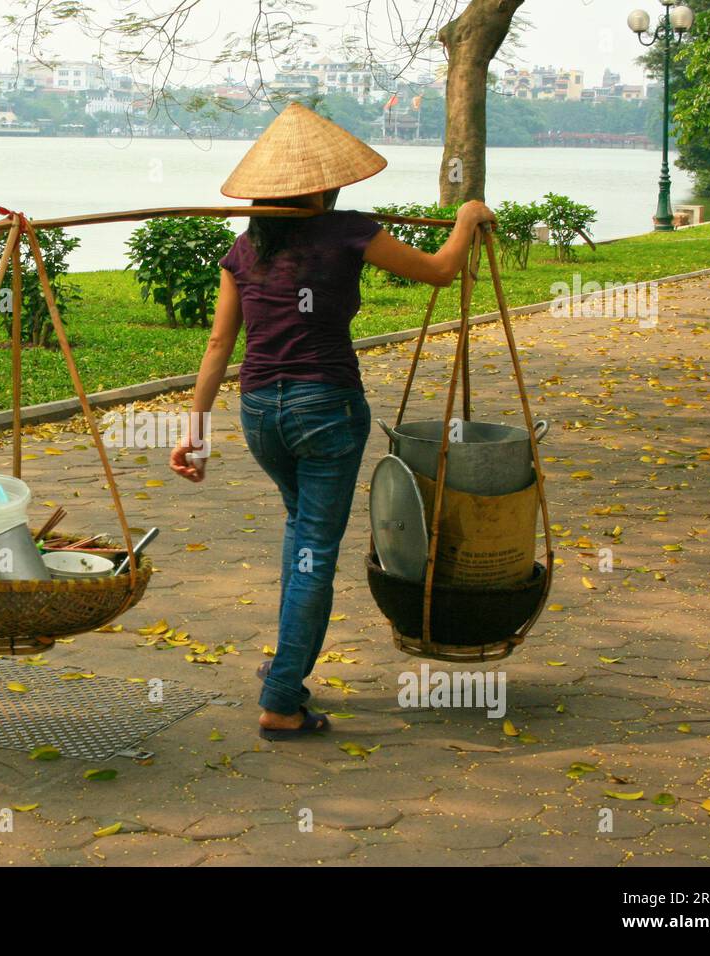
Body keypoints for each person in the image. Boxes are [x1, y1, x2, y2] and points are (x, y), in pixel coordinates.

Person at [168, 102, 495, 740]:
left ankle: (285, 662)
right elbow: (440, 270)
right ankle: (282, 700)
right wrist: (466, 216)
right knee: (315, 545)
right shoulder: (349, 230)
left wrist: (195, 431)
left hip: (262, 414)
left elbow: (216, 350)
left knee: (302, 535)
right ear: (325, 187)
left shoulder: (245, 247)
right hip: (327, 411)